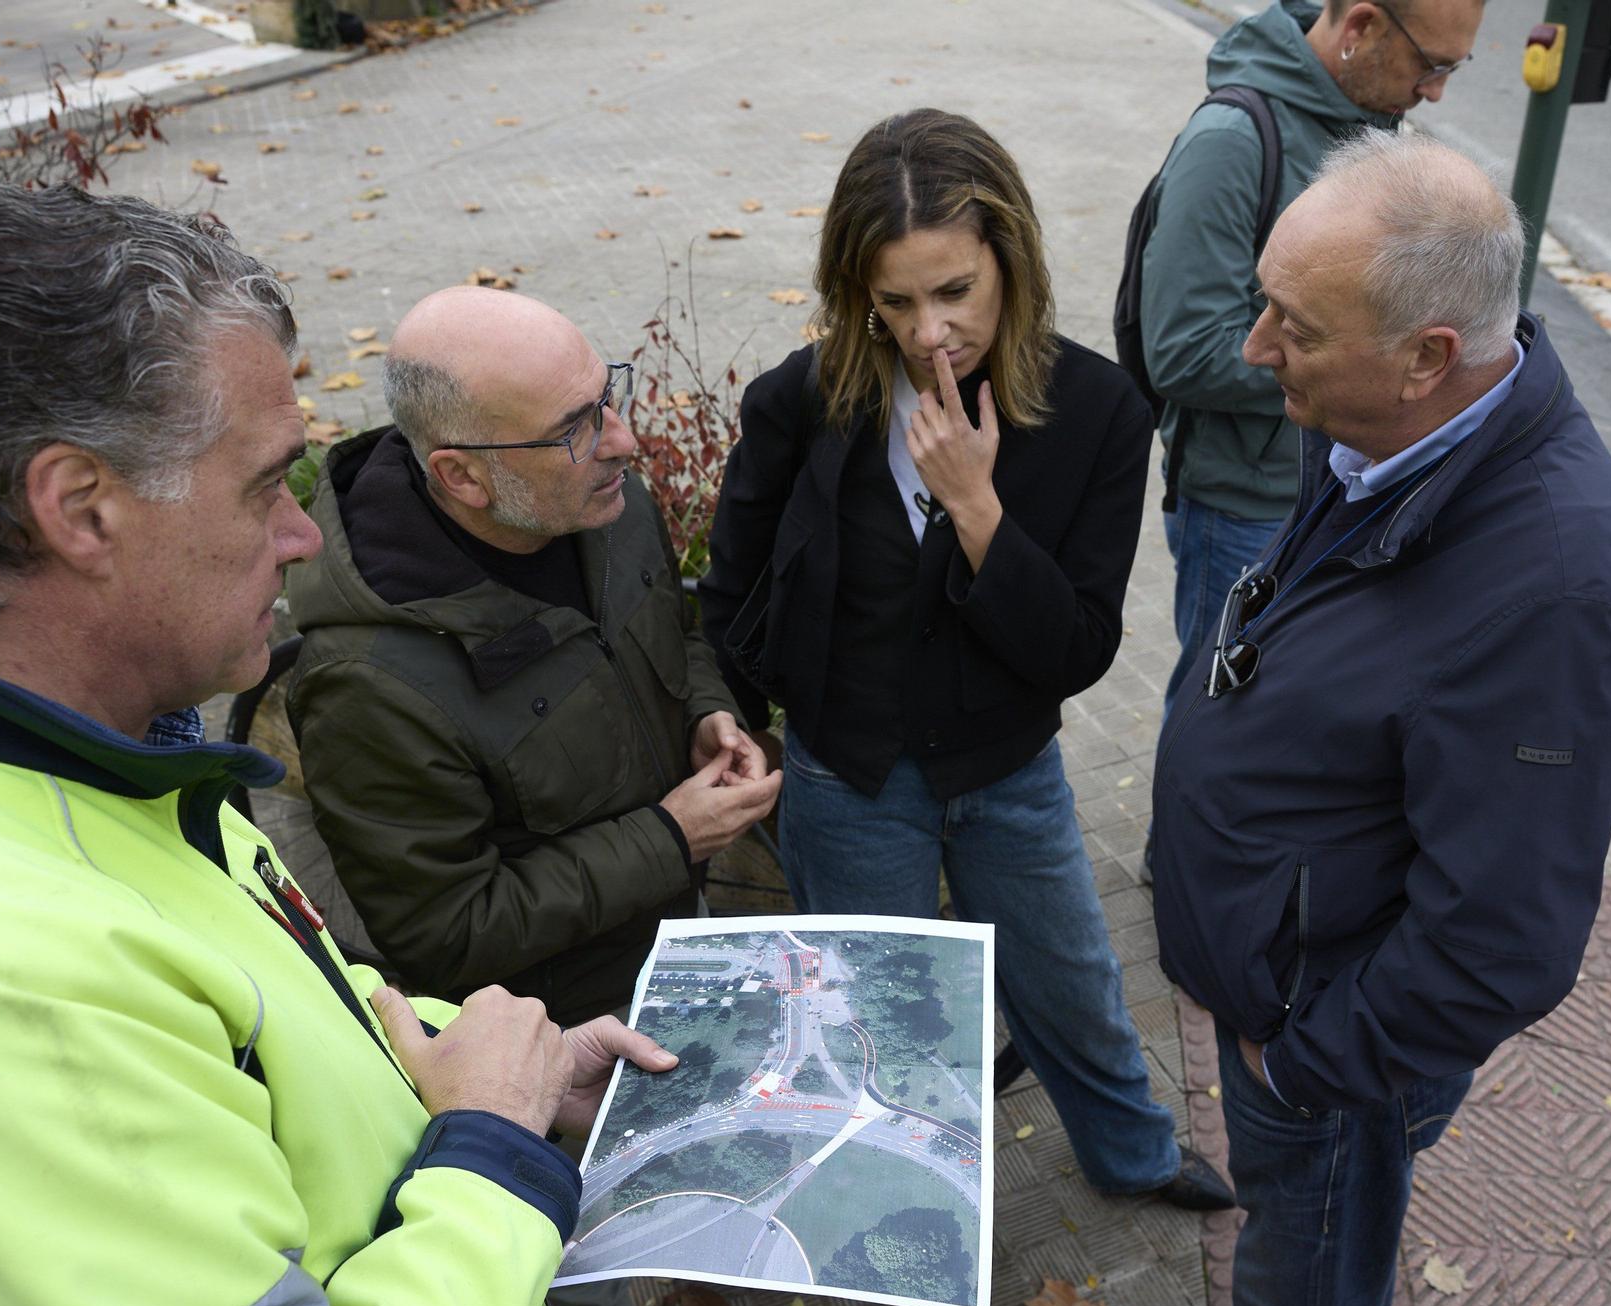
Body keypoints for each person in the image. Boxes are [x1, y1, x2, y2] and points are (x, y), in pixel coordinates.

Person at [0, 184, 676, 1306]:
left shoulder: (125, 758)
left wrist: (485, 1075)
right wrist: (486, 1153)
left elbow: (261, 1043)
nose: (303, 535)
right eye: (267, 481)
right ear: (82, 508)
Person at [1151, 131, 1611, 1306]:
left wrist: (1308, 1063)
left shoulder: (1552, 585)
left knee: (1311, 1277)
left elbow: (1502, 935)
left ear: (1429, 356)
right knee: (1288, 1236)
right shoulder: (1394, 435)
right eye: (1264, 306)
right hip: (1289, 996)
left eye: (1296, 330)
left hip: (1331, 1055)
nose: (1253, 348)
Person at [699, 108, 1230, 1213]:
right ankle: (909, 1211)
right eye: (894, 302)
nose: (928, 332)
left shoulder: (1094, 411)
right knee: (878, 1017)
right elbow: (732, 583)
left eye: (953, 292)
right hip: (850, 770)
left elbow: (1079, 647)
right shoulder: (803, 400)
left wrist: (978, 511)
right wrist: (749, 711)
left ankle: (1130, 1154)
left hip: (1006, 769)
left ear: (1010, 261)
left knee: (1071, 982)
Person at [286, 286, 780, 1029]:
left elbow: (672, 634)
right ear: (462, 476)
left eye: (605, 397)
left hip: (681, 940)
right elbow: (446, 932)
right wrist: (672, 837)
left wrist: (705, 711)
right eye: (574, 428)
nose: (624, 441)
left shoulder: (597, 503)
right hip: (561, 1033)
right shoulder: (367, 682)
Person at [1139, 0, 1486, 839]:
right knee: (1222, 700)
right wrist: (1354, 367)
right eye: (1428, 64)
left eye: (1452, 70)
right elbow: (1180, 352)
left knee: (1295, 706)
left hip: (1347, 481)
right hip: (1244, 499)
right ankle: (1182, 858)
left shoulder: (1371, 127)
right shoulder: (1233, 140)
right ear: (1361, 25)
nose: (1435, 92)